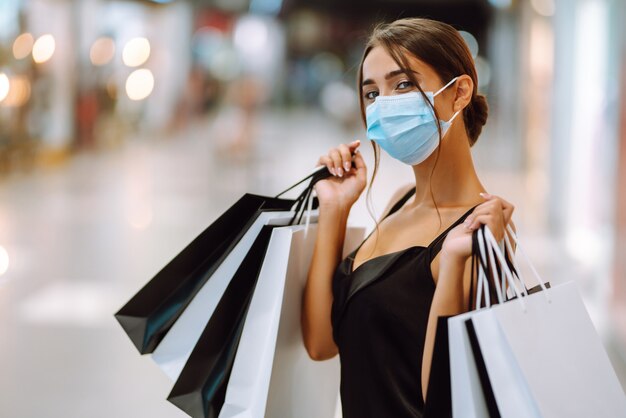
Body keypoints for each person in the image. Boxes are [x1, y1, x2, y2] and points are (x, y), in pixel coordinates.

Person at [301, 17, 515, 417]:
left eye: (403, 85)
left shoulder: (480, 234)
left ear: (459, 93)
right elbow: (321, 343)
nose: (383, 104)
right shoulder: (400, 201)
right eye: (371, 92)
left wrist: (453, 264)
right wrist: (334, 208)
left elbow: (449, 402)